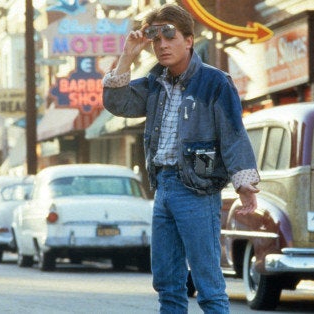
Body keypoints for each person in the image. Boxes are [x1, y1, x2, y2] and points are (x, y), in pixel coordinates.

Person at [102, 4, 259, 313]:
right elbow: (117, 103)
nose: (162, 45)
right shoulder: (155, 82)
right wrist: (128, 55)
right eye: (156, 39)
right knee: (167, 285)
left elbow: (233, 134)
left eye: (169, 36)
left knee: (208, 285)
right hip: (164, 188)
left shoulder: (215, 82)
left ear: (189, 40)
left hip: (198, 191)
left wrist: (246, 188)